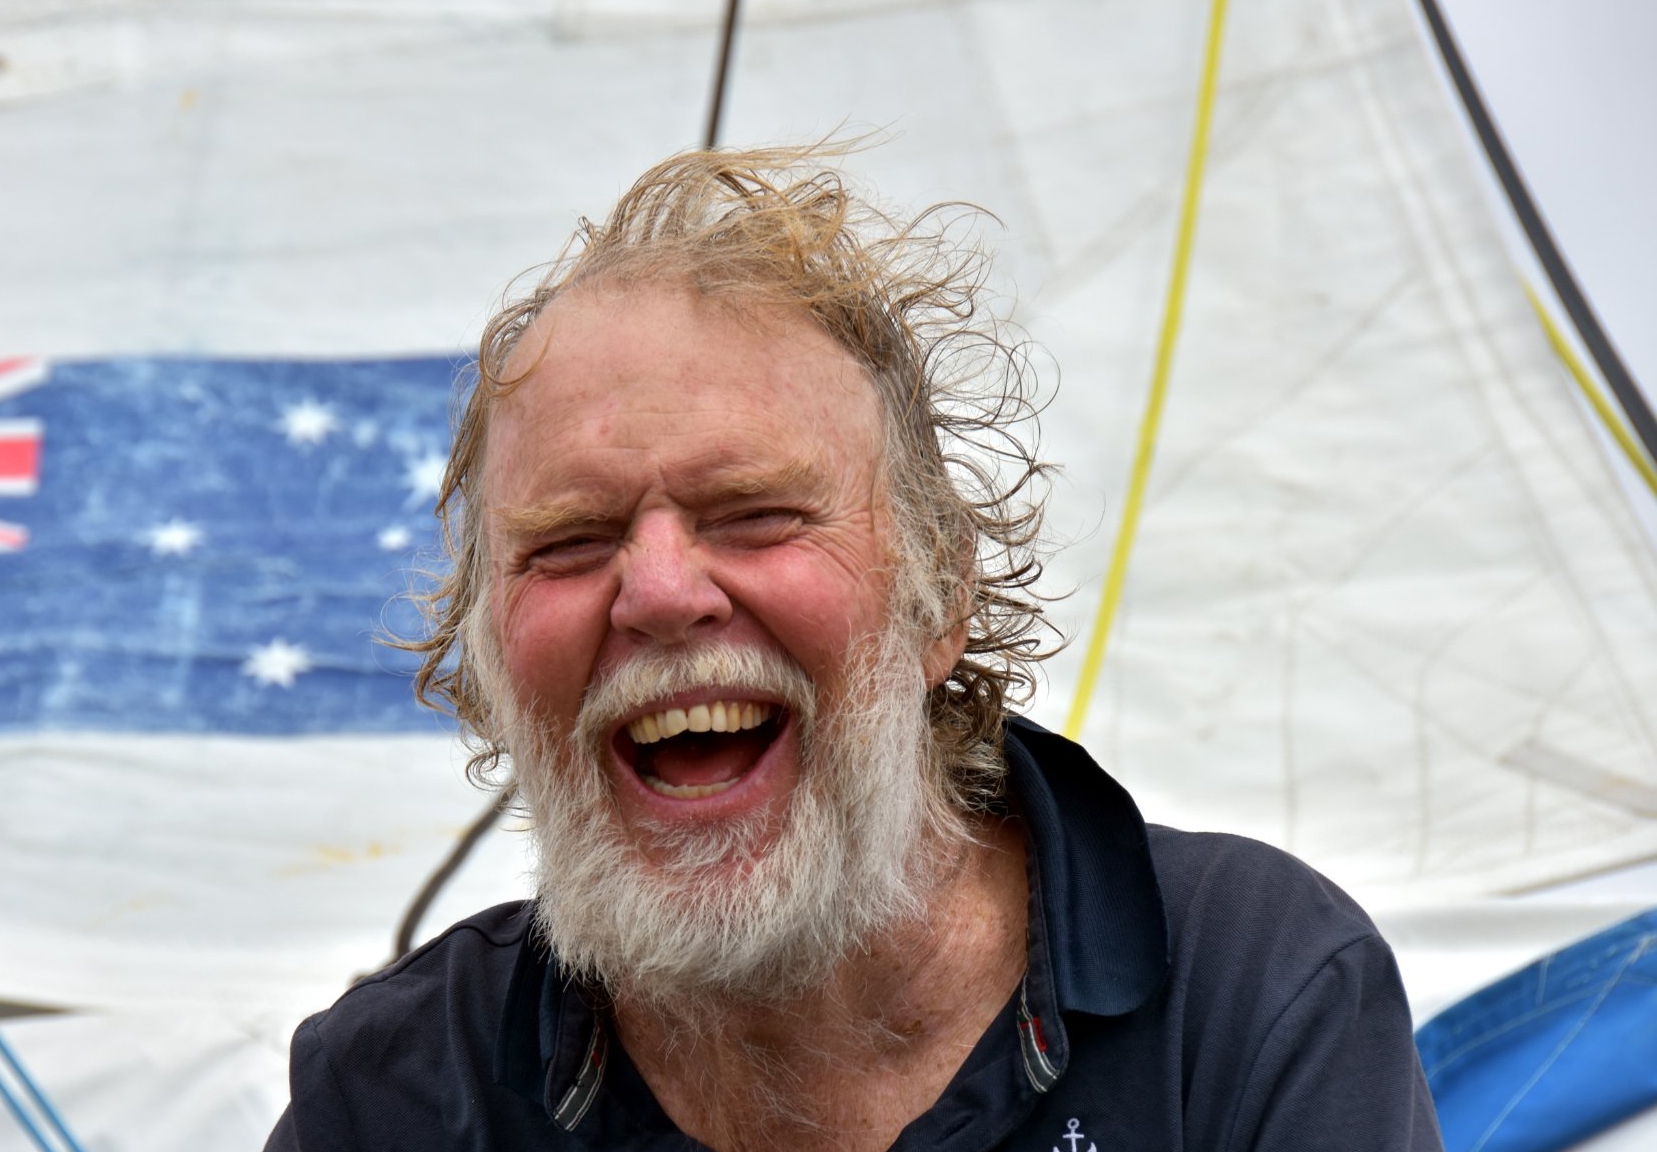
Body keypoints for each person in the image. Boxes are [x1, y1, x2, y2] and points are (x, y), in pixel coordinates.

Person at [263, 145, 1441, 1151]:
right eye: (569, 542)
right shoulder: (392, 1097)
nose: (660, 592)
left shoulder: (1250, 993)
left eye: (756, 514)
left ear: (938, 602)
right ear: (486, 660)